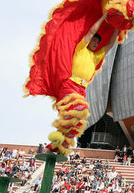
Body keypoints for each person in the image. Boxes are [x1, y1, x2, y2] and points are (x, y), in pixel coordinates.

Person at [48, 14, 119, 155]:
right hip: (70, 84)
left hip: (81, 89)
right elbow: (92, 31)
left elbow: (111, 44)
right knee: (76, 110)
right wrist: (103, 16)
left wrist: (118, 27)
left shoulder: (96, 56)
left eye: (97, 42)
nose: (95, 43)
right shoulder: (81, 49)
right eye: (93, 40)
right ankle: (57, 143)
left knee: (77, 120)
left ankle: (57, 145)